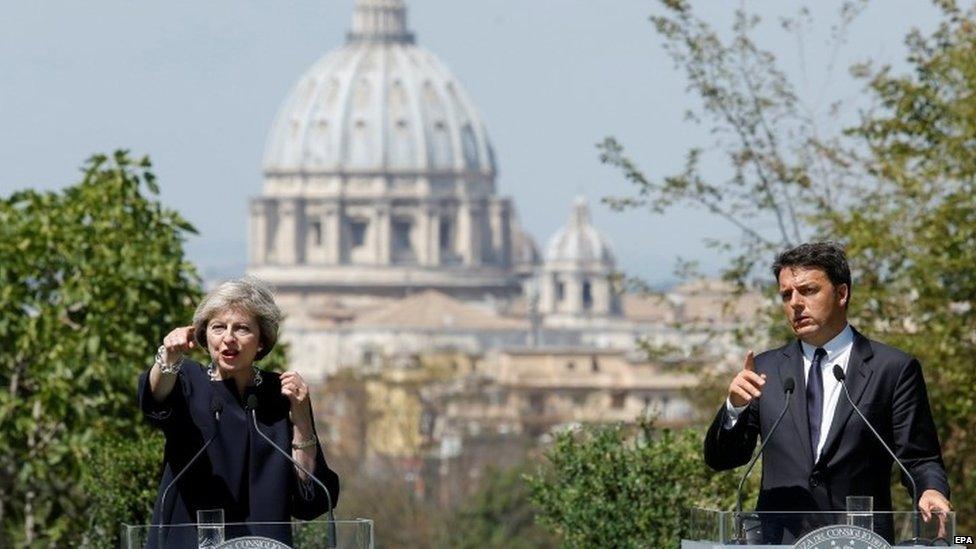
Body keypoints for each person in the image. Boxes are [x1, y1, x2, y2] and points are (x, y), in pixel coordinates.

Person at [704, 242, 950, 543]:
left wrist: (931, 490)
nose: (795, 303)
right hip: (780, 540)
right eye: (786, 295)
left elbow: (920, 458)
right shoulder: (764, 369)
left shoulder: (893, 368)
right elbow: (722, 459)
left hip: (860, 540)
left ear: (842, 293)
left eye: (808, 290)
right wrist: (734, 408)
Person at [138, 277, 339, 547]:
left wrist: (301, 416)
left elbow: (309, 496)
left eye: (242, 328)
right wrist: (168, 359)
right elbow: (155, 399)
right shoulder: (187, 380)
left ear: (261, 341)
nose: (228, 338)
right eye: (218, 327)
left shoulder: (279, 393)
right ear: (204, 335)